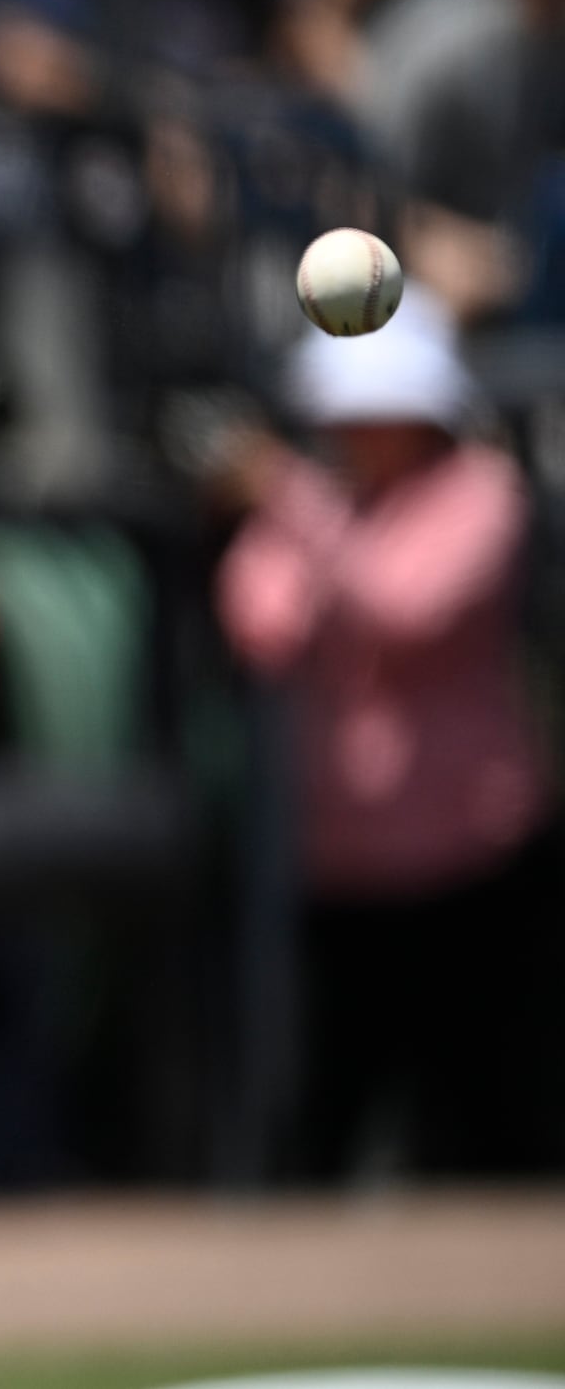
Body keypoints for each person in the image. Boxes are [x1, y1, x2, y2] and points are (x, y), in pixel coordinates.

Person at [216, 294, 564, 1177]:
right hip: (348, 867)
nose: (360, 437)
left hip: (476, 864)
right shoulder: (323, 507)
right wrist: (294, 514)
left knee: (496, 1120)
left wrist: (294, 504)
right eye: (347, 420)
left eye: (381, 418)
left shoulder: (481, 495)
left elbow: (407, 607)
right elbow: (260, 621)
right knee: (324, 1118)